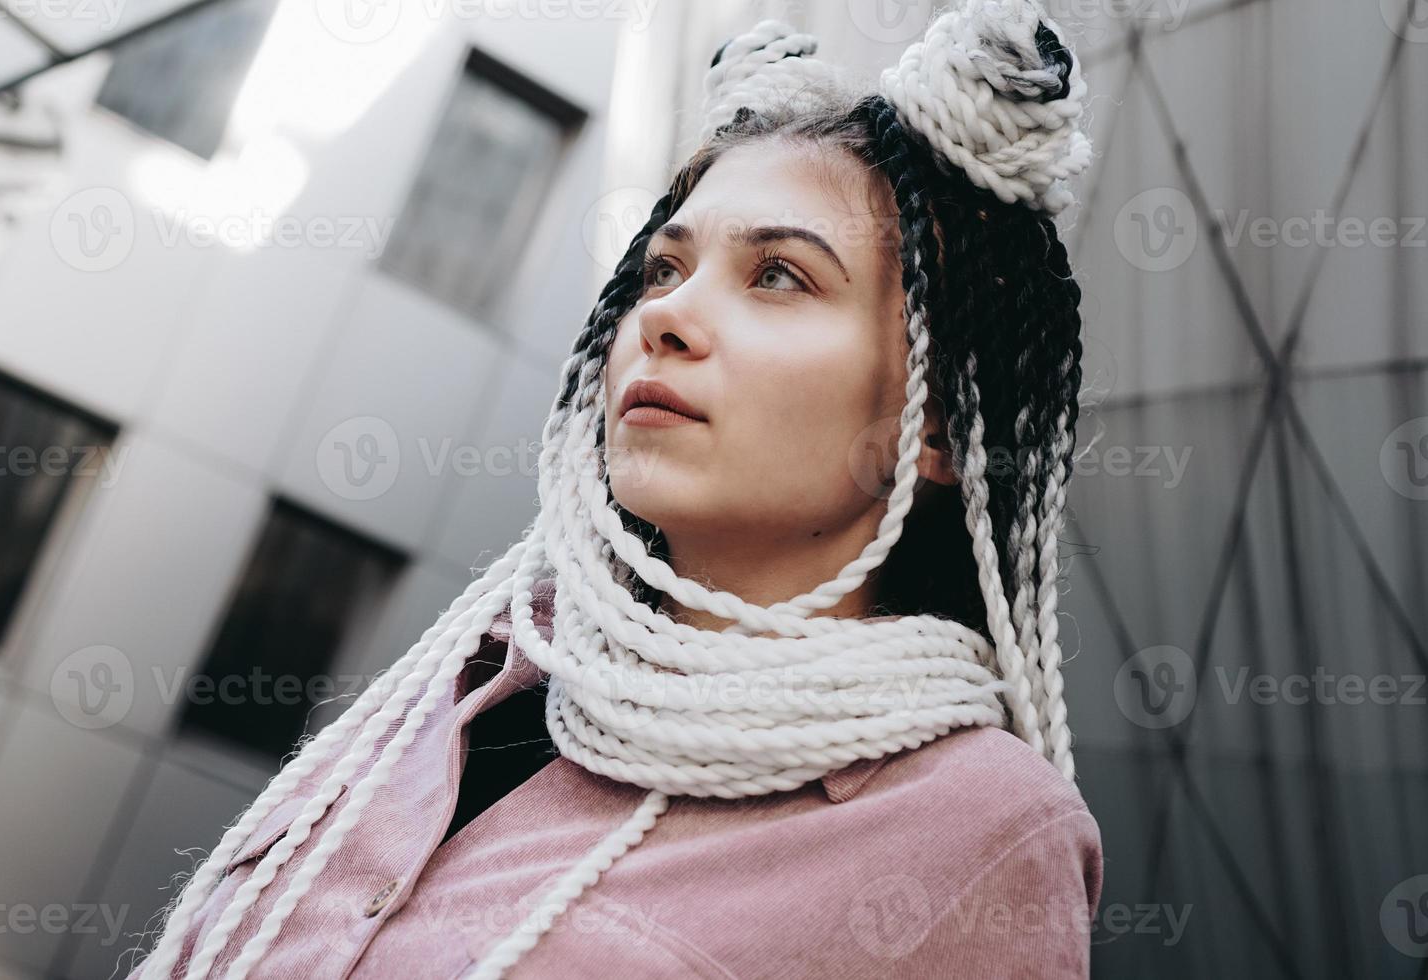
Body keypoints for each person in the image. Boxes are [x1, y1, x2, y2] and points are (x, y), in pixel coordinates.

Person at [123, 2, 1103, 977]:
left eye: (778, 275)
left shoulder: (976, 832)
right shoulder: (484, 667)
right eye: (663, 267)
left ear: (936, 425)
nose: (668, 314)